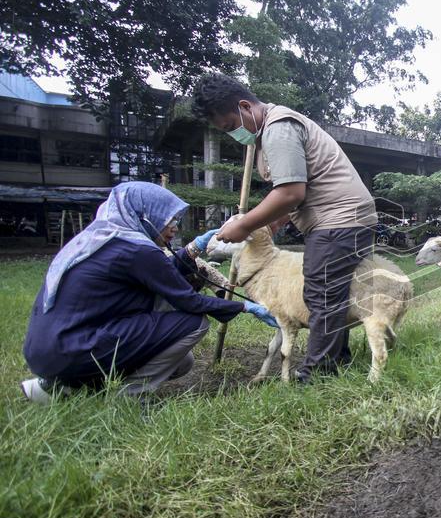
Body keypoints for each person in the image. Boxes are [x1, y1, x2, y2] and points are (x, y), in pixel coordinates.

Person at [191, 73, 377, 383]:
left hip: (339, 220)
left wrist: (244, 225)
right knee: (333, 292)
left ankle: (318, 372)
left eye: (228, 126)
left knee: (321, 293)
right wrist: (272, 223)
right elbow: (292, 195)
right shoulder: (268, 133)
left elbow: (290, 192)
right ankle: (337, 360)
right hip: (343, 218)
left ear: (244, 107)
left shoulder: (278, 128)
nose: (231, 134)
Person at [20, 182, 278, 404]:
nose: (174, 226)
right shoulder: (135, 250)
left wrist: (194, 248)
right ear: (144, 215)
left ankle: (67, 385)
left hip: (51, 348)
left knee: (182, 362)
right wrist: (246, 307)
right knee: (193, 323)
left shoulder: (104, 239)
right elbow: (185, 299)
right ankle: (130, 397)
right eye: (168, 219)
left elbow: (161, 274)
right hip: (73, 347)